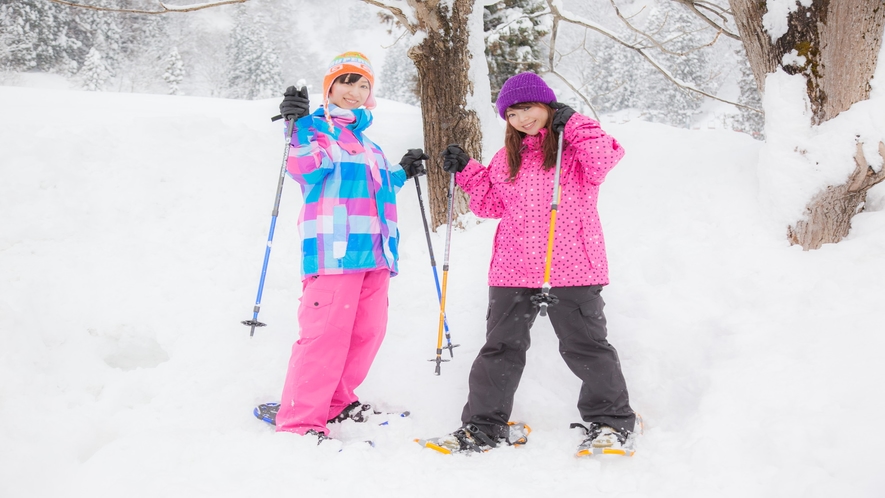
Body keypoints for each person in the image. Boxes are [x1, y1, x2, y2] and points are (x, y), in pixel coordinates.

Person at [417, 72, 637, 456]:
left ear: (548, 107)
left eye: (528, 108)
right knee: (500, 349)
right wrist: (468, 170)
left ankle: (611, 422)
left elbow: (604, 159)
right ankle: (483, 427)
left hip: (571, 268)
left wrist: (576, 123)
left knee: (585, 346)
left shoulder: (574, 148)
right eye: (513, 112)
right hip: (513, 268)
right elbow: (490, 205)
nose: (521, 118)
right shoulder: (507, 158)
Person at [272, 51, 427, 444]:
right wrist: (298, 125)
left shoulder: (366, 142)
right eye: (346, 81)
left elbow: (372, 189)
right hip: (335, 253)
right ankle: (300, 421)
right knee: (324, 337)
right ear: (330, 87)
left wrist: (401, 172)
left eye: (363, 84)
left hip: (375, 255)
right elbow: (305, 168)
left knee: (366, 335)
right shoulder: (318, 130)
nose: (354, 91)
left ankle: (338, 402)